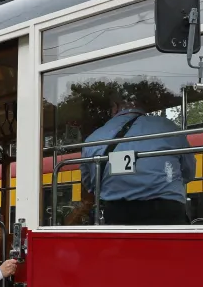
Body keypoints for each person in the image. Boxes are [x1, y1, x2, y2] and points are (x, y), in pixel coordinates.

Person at [80, 91, 195, 225]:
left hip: (117, 214)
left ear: (115, 106)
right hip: (167, 212)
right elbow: (189, 172)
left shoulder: (92, 139)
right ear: (141, 106)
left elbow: (90, 184)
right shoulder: (168, 127)